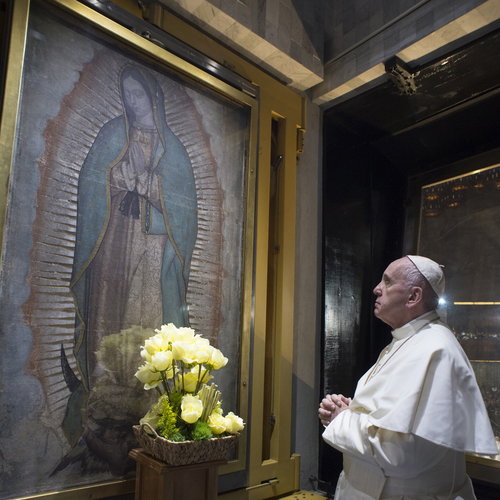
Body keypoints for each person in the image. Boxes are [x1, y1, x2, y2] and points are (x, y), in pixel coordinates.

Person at [58, 65, 198, 470]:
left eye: (140, 94)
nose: (134, 102)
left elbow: (184, 212)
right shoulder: (111, 134)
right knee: (109, 315)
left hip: (153, 250)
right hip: (113, 246)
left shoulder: (173, 150)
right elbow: (92, 183)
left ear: (153, 97)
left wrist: (151, 188)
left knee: (145, 317)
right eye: (128, 94)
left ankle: (144, 409)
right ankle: (102, 406)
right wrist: (119, 180)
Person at [318, 255, 497, 499]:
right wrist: (351, 411)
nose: (376, 289)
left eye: (387, 282)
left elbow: (402, 454)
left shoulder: (435, 349)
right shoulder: (407, 340)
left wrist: (342, 420)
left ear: (414, 297)